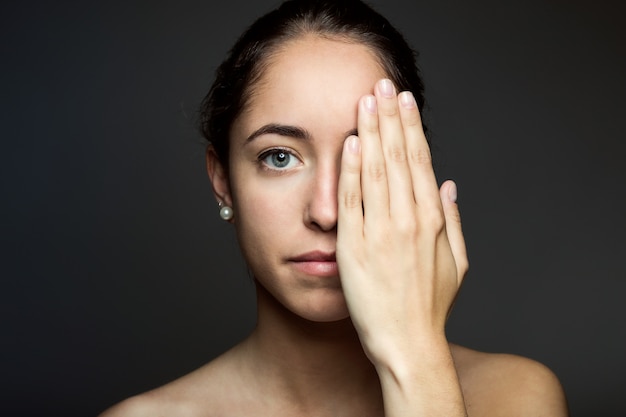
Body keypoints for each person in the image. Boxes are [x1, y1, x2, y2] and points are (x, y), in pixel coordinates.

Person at [100, 0, 568, 415]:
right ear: (222, 180)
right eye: (279, 157)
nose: (326, 212)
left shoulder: (516, 397)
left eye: (360, 155)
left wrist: (416, 361)